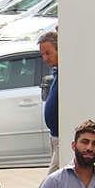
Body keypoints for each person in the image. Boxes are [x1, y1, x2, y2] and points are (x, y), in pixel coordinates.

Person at [38, 31, 59, 173]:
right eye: (42, 54)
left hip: (61, 137)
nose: (45, 58)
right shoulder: (56, 71)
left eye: (48, 53)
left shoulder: (68, 68)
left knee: (51, 181)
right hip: (54, 135)